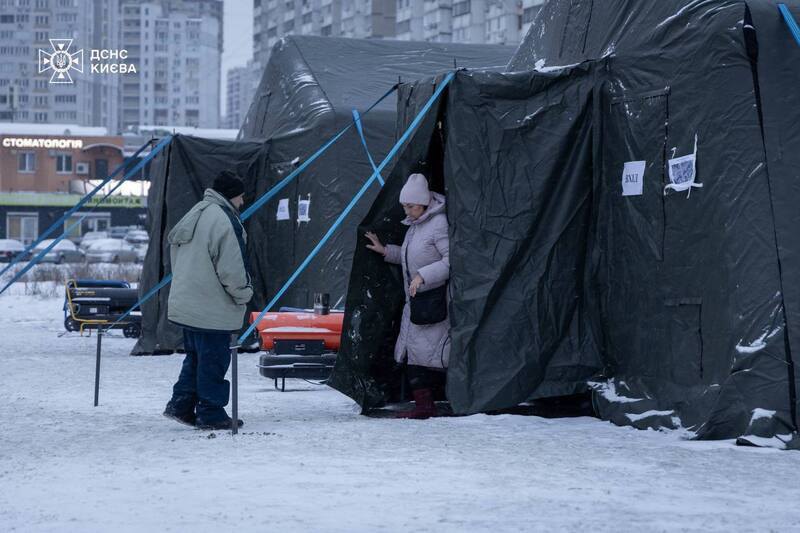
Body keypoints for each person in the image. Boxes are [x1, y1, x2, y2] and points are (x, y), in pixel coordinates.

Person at [163, 170, 253, 430]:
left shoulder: (197, 212)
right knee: (214, 361)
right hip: (212, 307)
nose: (242, 202)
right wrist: (244, 293)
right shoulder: (224, 220)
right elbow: (232, 268)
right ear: (231, 195)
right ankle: (211, 413)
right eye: (241, 196)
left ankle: (181, 405)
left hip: (188, 303)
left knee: (195, 358)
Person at [365, 173, 450, 419]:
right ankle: (424, 405)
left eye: (410, 206)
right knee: (415, 355)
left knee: (431, 356)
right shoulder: (415, 226)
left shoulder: (438, 224)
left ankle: (428, 405)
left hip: (434, 302)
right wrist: (386, 251)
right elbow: (410, 257)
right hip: (417, 302)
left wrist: (423, 276)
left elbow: (452, 260)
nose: (407, 211)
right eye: (404, 206)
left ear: (423, 203)